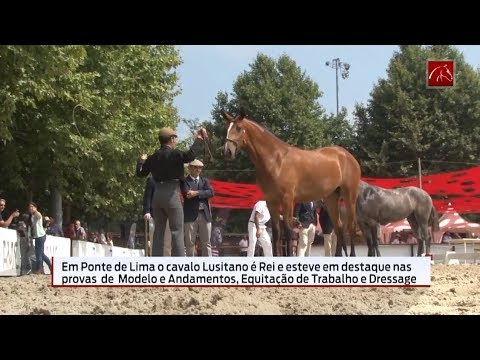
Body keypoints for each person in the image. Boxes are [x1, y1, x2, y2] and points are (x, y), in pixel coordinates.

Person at [136, 126, 207, 256]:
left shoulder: (152, 157)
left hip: (157, 197)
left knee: (158, 232)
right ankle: (177, 266)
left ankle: (157, 265)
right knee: (177, 232)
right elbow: (191, 155)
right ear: (172, 139)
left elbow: (140, 173)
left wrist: (141, 161)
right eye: (175, 138)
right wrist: (199, 139)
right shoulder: (176, 154)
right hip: (172, 195)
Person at [181, 159, 215, 256]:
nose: (198, 169)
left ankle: (207, 266)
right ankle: (190, 266)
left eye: (200, 167)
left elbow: (211, 192)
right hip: (190, 216)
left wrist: (196, 192)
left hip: (205, 215)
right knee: (189, 243)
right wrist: (203, 193)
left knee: (206, 242)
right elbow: (187, 193)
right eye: (195, 167)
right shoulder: (185, 181)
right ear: (190, 168)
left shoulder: (205, 180)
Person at [143, 175, 172, 256]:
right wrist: (147, 211)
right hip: (154, 215)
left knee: (167, 242)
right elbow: (147, 196)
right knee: (154, 240)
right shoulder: (152, 180)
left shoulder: (171, 180)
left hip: (168, 215)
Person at [27, 202, 52, 275]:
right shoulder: (32, 216)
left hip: (40, 236)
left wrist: (34, 211)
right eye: (29, 207)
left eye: (32, 206)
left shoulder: (37, 213)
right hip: (40, 236)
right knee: (42, 254)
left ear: (35, 207)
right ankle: (51, 267)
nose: (30, 208)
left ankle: (39, 269)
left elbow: (39, 216)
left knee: (38, 254)